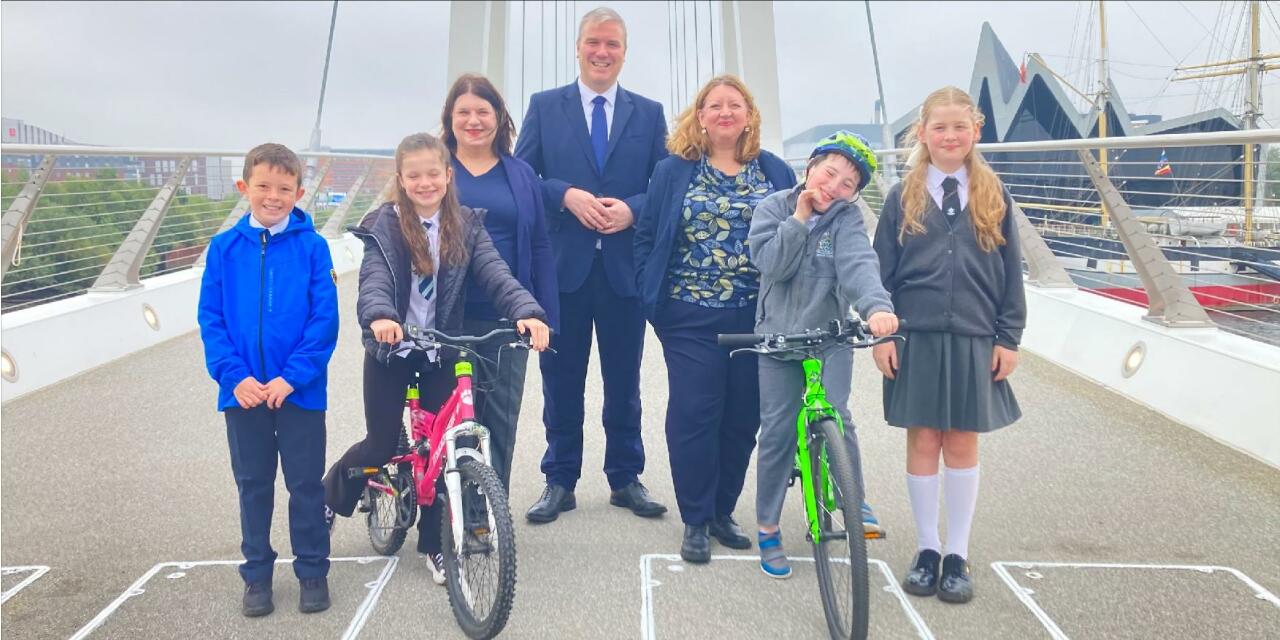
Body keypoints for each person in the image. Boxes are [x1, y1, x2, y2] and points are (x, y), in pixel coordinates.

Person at [322, 133, 550, 584]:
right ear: (401, 180)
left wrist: (526, 310)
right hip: (393, 348)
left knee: (446, 449)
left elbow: (495, 273)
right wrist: (382, 316)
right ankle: (332, 495)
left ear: (447, 176)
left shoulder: (466, 224)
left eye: (433, 174)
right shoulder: (384, 225)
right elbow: (374, 281)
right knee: (383, 444)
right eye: (414, 175)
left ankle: (434, 546)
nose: (425, 183)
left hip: (441, 346)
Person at [515, 6, 670, 523]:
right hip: (564, 272)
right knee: (561, 382)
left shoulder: (648, 113)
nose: (602, 53)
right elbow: (522, 178)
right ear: (578, 48)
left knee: (624, 382)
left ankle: (625, 478)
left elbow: (664, 185)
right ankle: (560, 479)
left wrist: (634, 209)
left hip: (625, 271)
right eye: (593, 43)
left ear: (624, 52)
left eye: (612, 45)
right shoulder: (544, 107)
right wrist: (564, 196)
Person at [872, 86, 1025, 604]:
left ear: (975, 131)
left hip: (974, 334)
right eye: (939, 127)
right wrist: (884, 334)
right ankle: (927, 548)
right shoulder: (902, 196)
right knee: (923, 440)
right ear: (922, 133)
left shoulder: (994, 193)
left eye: (960, 127)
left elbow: (1010, 275)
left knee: (961, 440)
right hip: (914, 335)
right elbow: (881, 275)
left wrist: (1009, 335)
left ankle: (958, 552)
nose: (950, 136)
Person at [633, 75, 796, 563]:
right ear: (699, 116)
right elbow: (646, 237)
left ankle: (724, 511)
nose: (725, 112)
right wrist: (653, 302)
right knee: (694, 413)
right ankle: (696, 518)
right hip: (688, 315)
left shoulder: (775, 172)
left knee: (742, 417)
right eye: (714, 105)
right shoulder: (672, 172)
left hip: (756, 315)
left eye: (735, 105)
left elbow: (797, 236)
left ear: (749, 115)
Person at [748, 131, 899, 579]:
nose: (835, 187)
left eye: (848, 184)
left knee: (837, 415)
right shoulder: (773, 207)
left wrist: (877, 308)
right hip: (777, 340)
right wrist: (798, 217)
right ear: (810, 167)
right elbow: (772, 264)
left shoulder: (847, 221)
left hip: (828, 337)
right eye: (829, 173)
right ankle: (768, 526)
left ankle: (853, 497)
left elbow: (858, 266)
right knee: (776, 432)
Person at [198, 143, 339, 617]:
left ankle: (313, 571)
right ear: (245, 188)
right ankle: (256, 575)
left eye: (284, 189)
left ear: (299, 193)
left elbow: (324, 322)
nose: (273, 196)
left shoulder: (313, 248)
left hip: (299, 393)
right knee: (253, 484)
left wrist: (291, 378)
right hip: (243, 394)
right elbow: (211, 320)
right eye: (263, 186)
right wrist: (234, 377)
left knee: (304, 485)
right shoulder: (223, 250)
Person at [442, 73, 560, 490]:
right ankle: (448, 519)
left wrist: (543, 312)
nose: (474, 120)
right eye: (464, 112)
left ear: (499, 117)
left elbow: (541, 245)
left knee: (499, 421)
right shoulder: (435, 168)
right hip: (446, 318)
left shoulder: (521, 173)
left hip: (507, 318)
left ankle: (489, 516)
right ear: (449, 118)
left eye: (483, 111)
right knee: (451, 421)